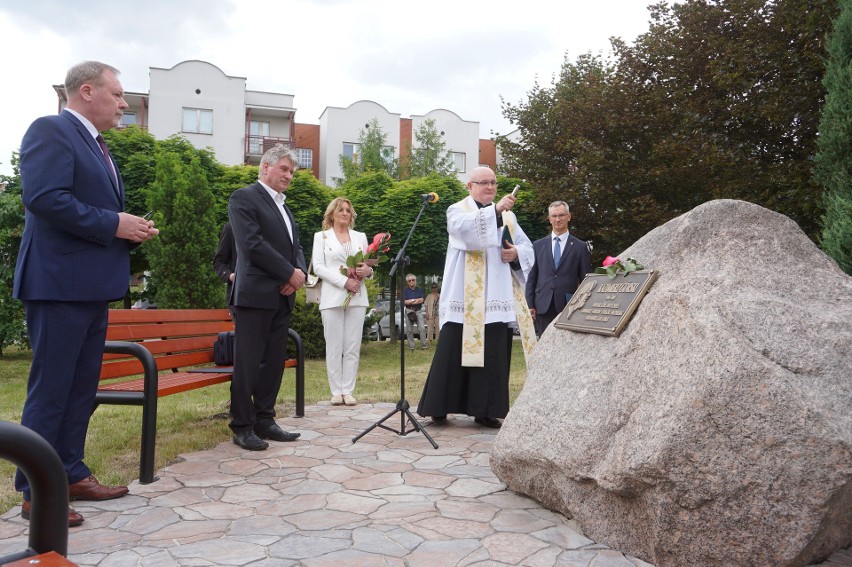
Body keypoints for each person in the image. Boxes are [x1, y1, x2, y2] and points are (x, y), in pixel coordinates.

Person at [13, 61, 159, 527]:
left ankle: (71, 473)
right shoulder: (51, 130)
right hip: (58, 285)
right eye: (118, 95)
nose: (124, 104)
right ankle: (36, 491)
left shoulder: (99, 147)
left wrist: (126, 228)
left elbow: (83, 206)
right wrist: (115, 223)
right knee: (53, 388)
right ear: (87, 90)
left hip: (90, 288)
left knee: (80, 389)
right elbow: (44, 198)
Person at [417, 167, 534, 429]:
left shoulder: (508, 216)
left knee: (492, 354)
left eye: (493, 183)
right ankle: (440, 407)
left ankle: (486, 410)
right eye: (484, 183)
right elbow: (464, 233)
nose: (490, 187)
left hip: (495, 298)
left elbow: (528, 248)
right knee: (452, 352)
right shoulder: (457, 210)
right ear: (470, 186)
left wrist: (515, 253)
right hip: (464, 298)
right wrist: (493, 212)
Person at [227, 144, 305, 451]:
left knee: (273, 362)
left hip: (281, 296)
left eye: (291, 171)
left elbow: (295, 247)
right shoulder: (244, 197)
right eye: (283, 169)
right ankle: (242, 425)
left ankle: (265, 419)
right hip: (254, 296)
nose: (288, 175)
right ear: (265, 167)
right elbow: (251, 244)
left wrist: (297, 272)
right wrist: (288, 273)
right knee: (248, 363)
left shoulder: (285, 207)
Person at [311, 197, 374, 406]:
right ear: (332, 214)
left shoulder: (360, 237)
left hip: (357, 296)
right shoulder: (321, 237)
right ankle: (336, 390)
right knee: (334, 344)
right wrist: (344, 282)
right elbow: (318, 267)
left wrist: (368, 271)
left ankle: (348, 389)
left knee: (352, 346)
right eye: (341, 210)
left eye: (348, 210)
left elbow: (367, 265)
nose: (345, 213)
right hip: (332, 296)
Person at [525, 201, 591, 337]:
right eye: (554, 216)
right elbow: (532, 277)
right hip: (543, 305)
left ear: (569, 217)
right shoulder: (538, 245)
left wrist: (584, 305)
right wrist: (530, 304)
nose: (558, 219)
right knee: (543, 345)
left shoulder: (580, 247)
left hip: (568, 306)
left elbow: (586, 280)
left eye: (561, 215)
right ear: (549, 219)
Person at [213, 222, 237, 318]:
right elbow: (219, 261)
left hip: (269, 298)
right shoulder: (231, 228)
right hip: (239, 299)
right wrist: (230, 276)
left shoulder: (269, 227)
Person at [403, 274, 428, 350]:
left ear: (415, 281)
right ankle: (411, 346)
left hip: (418, 311)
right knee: (409, 330)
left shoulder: (420, 289)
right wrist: (415, 300)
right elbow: (405, 302)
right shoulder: (405, 291)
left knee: (422, 328)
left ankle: (424, 346)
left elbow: (421, 300)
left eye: (413, 280)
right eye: (409, 280)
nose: (411, 281)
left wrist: (411, 301)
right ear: (407, 282)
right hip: (409, 311)